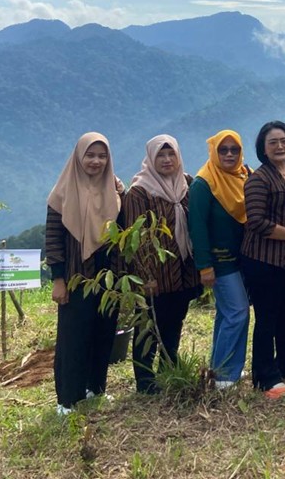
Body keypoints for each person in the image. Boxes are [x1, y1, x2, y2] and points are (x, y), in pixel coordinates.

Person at [45, 132, 122, 415]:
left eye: (102, 156)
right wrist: (58, 279)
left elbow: (122, 235)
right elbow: (53, 239)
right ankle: (67, 399)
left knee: (103, 333)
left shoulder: (115, 192)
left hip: (108, 278)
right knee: (72, 338)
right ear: (79, 157)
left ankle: (95, 387)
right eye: (90, 155)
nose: (96, 161)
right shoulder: (62, 193)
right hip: (76, 277)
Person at [121, 134, 198, 395]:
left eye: (171, 154)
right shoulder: (140, 191)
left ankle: (169, 367)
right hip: (155, 273)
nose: (166, 160)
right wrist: (145, 276)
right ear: (151, 159)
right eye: (160, 155)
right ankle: (145, 380)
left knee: (174, 320)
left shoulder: (187, 184)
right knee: (148, 326)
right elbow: (136, 238)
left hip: (183, 270)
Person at [242, 121, 285, 401]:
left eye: (284, 140)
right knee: (267, 317)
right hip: (263, 258)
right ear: (263, 148)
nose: (280, 146)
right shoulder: (258, 179)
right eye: (273, 142)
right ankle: (265, 376)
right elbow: (256, 221)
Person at [188, 130, 251, 389]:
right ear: (213, 151)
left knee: (228, 314)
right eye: (223, 150)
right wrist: (204, 266)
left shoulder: (243, 176)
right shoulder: (203, 184)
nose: (229, 154)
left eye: (234, 149)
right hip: (220, 262)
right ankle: (225, 375)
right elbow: (197, 228)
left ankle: (222, 369)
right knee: (238, 312)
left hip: (242, 259)